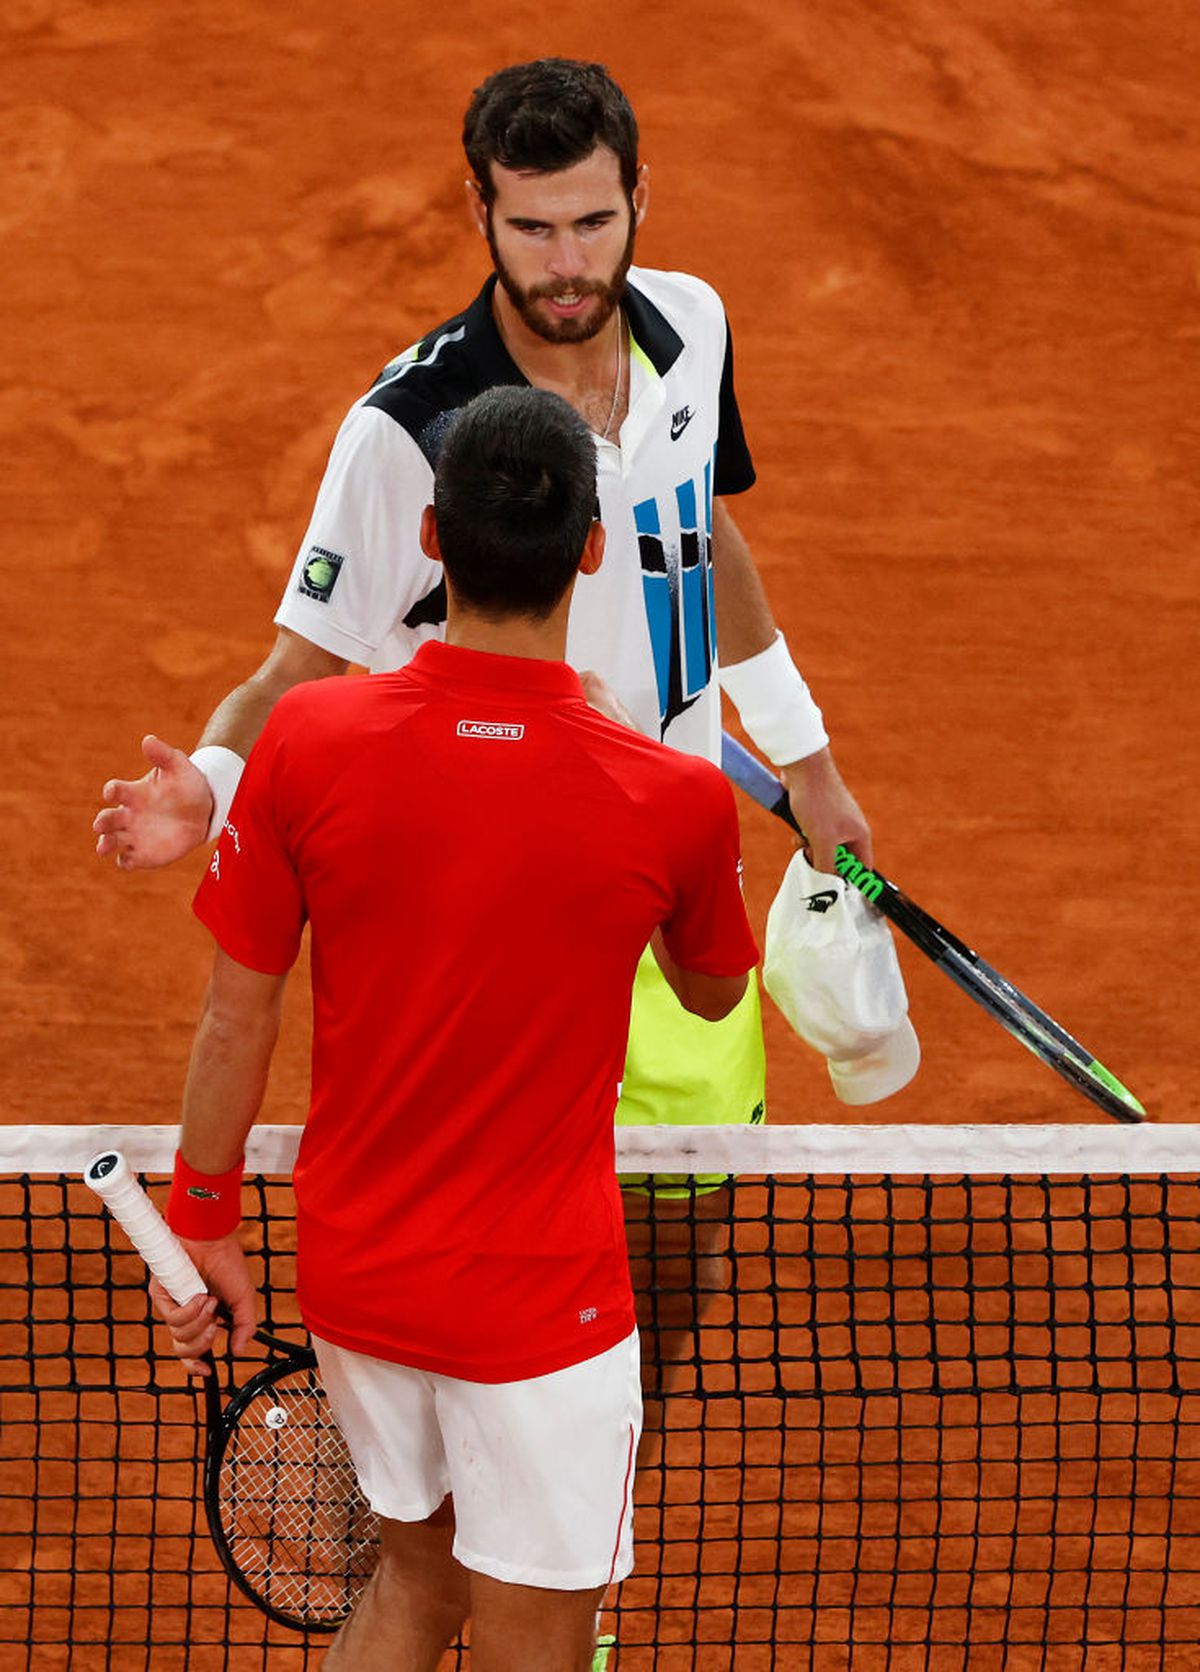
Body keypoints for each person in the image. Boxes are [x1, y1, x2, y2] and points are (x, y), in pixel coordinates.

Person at [151, 385, 760, 1672]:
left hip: (362, 1283)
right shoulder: (672, 799)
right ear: (591, 551)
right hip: (545, 1310)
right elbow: (711, 992)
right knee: (535, 1648)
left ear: (430, 537)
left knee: (417, 1594)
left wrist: (202, 1217)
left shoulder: (307, 742)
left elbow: (234, 1010)